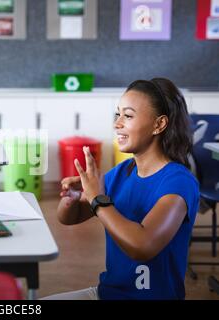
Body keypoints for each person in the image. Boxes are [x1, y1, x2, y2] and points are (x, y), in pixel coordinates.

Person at [46, 78, 199, 300]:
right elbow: (70, 218)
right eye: (117, 115)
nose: (117, 124)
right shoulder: (122, 172)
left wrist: (97, 198)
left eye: (127, 116)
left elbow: (143, 246)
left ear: (159, 125)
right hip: (107, 294)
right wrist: (73, 197)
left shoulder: (178, 182)